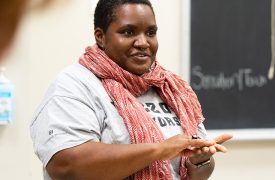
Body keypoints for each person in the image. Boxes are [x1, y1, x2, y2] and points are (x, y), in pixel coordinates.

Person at [30, 0, 232, 179]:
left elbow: (191, 167)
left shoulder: (171, 88)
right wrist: (160, 150)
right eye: (128, 32)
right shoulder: (75, 85)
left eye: (151, 33)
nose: (143, 43)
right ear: (100, 37)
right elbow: (66, 165)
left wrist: (200, 162)